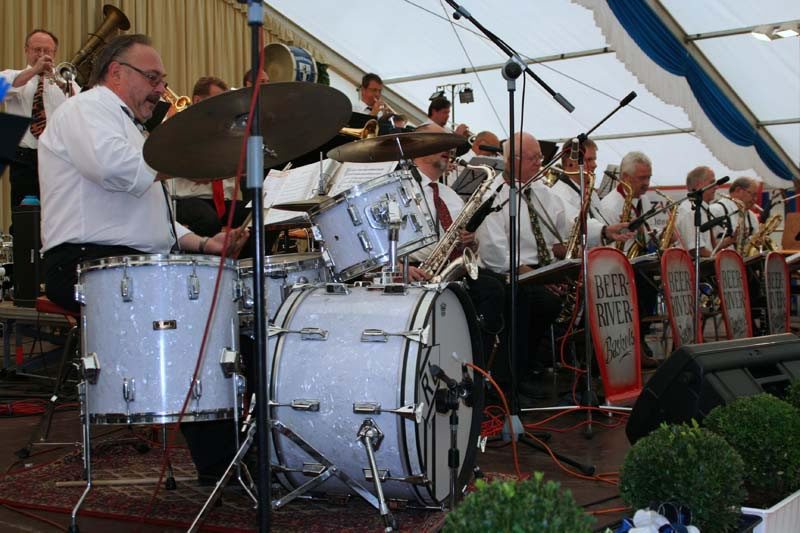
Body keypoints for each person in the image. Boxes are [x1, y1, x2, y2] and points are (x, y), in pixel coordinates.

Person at [38, 34, 249, 486]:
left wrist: (205, 244)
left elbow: (157, 221)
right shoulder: (86, 109)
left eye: (162, 80)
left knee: (223, 322)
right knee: (198, 328)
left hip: (132, 261)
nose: (160, 89)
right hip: (87, 261)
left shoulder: (132, 127)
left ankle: (228, 458)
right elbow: (118, 172)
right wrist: (188, 152)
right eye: (152, 78)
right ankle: (223, 463)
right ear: (116, 72)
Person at [475, 132, 631, 396]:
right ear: (512, 161)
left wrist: (604, 231)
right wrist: (530, 274)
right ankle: (512, 376)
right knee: (529, 297)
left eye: (540, 157)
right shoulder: (493, 195)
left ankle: (532, 363)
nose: (540, 163)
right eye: (533, 158)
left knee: (555, 298)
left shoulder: (541, 191)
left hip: (538, 270)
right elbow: (493, 251)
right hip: (505, 271)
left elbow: (571, 223)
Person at [406, 123, 505, 366]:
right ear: (419, 146)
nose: (450, 149)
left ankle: (477, 367)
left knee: (499, 287)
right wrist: (401, 267)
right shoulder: (400, 188)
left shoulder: (449, 194)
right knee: (491, 290)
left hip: (450, 270)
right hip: (418, 270)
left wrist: (471, 241)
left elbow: (469, 246)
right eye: (441, 143)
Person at [0, 29, 80, 210]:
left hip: (57, 156)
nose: (42, 55)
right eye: (37, 50)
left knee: (58, 210)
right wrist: (35, 70)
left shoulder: (66, 79)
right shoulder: (11, 75)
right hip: (23, 157)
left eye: (47, 51)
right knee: (24, 213)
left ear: (54, 53)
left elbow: (81, 109)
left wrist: (63, 84)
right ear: (26, 50)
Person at [599, 151, 661, 366]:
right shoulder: (610, 205)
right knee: (644, 286)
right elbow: (608, 244)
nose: (647, 183)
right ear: (625, 177)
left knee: (651, 284)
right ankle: (634, 343)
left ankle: (640, 338)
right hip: (617, 267)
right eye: (642, 178)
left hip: (637, 263)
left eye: (649, 177)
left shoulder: (642, 199)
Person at [170, 76, 249, 237]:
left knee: (262, 214)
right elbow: (188, 168)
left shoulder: (226, 131)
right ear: (197, 100)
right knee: (209, 221)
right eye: (217, 100)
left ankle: (241, 253)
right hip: (188, 199)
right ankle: (179, 247)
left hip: (222, 202)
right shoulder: (180, 129)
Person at [675, 166, 719, 257]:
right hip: (696, 265)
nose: (716, 187)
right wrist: (720, 260)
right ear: (698, 185)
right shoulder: (690, 210)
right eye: (712, 183)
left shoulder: (703, 209)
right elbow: (696, 250)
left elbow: (709, 245)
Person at [708, 176, 760, 250]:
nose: (755, 199)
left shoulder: (752, 216)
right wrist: (731, 239)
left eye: (756, 195)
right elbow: (707, 245)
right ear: (738, 190)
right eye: (752, 194)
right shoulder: (716, 210)